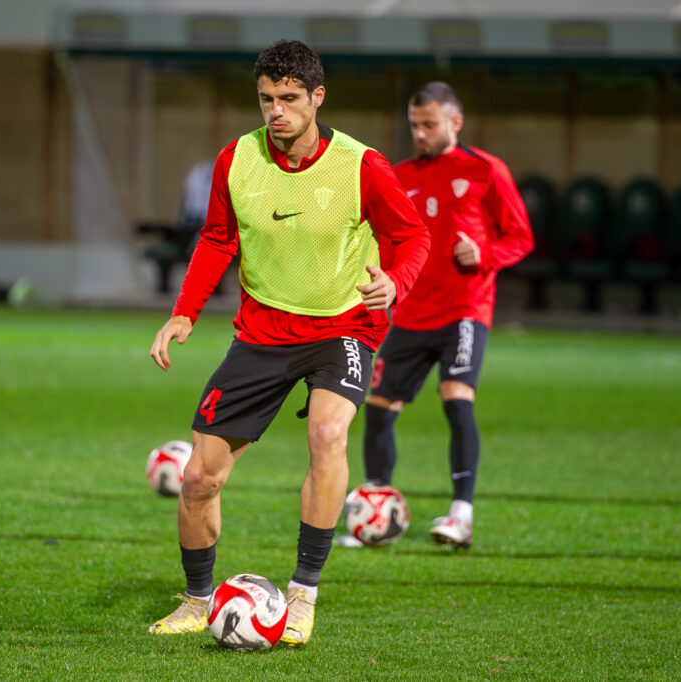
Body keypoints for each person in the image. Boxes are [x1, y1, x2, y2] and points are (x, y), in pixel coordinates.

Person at [147, 39, 430, 647]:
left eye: (290, 98)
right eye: (266, 99)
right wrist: (183, 313)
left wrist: (395, 282)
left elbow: (413, 238)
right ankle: (197, 600)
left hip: (344, 325)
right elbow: (217, 239)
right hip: (263, 332)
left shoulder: (362, 165)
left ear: (317, 97)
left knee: (327, 435)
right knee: (198, 478)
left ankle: (302, 594)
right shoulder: (236, 159)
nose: (276, 111)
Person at [352, 81, 533, 550]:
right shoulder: (400, 174)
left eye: (429, 125)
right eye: (414, 125)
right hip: (410, 311)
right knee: (378, 410)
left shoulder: (486, 170)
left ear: (456, 121)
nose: (419, 134)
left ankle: (461, 516)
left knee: (456, 399)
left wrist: (484, 254)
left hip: (464, 309)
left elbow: (521, 237)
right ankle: (376, 510)